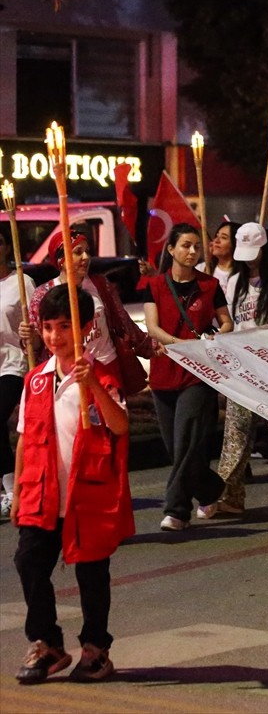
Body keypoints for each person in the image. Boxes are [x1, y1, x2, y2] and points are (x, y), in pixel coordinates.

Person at [10, 284, 133, 683]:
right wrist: (17, 493)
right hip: (43, 495)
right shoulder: (36, 380)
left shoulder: (101, 375)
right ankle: (47, 643)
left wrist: (92, 385)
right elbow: (27, 439)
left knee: (91, 574)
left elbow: (119, 425)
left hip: (88, 496)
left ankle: (96, 649)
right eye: (48, 327)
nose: (54, 336)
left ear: (86, 328)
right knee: (29, 561)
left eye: (65, 326)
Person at [205, 223, 268, 515]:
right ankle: (229, 495)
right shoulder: (234, 281)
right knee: (236, 432)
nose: (248, 259)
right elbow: (230, 321)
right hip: (243, 367)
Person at [143, 223, 233, 531]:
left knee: (185, 443)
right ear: (171, 250)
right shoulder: (154, 285)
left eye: (197, 246)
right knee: (178, 449)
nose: (192, 251)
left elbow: (226, 322)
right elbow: (152, 329)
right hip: (162, 375)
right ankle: (211, 490)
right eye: (185, 245)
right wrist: (185, 346)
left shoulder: (209, 285)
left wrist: (213, 339)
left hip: (197, 376)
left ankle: (176, 510)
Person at [22, 228, 158, 397]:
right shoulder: (43, 294)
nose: (86, 257)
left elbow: (123, 321)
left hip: (107, 367)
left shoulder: (100, 284)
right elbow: (37, 344)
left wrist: (150, 347)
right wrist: (30, 337)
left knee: (112, 420)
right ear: (61, 260)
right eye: (78, 252)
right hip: (68, 372)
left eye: (87, 251)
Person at [0, 228, 35, 519]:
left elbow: (36, 322)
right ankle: (7, 488)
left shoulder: (22, 282)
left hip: (13, 364)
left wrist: (30, 332)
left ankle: (12, 490)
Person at [205, 220, 237, 291]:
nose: (216, 240)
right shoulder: (201, 269)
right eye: (216, 236)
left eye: (223, 237)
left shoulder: (242, 276)